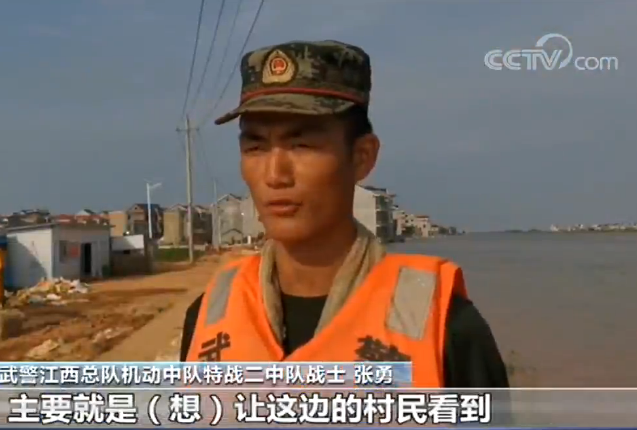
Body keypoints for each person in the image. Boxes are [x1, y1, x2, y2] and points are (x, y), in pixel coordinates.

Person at [179, 40, 509, 388]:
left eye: (302, 145)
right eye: (256, 147)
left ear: (362, 157)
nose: (275, 175)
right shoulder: (207, 318)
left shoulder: (443, 327)